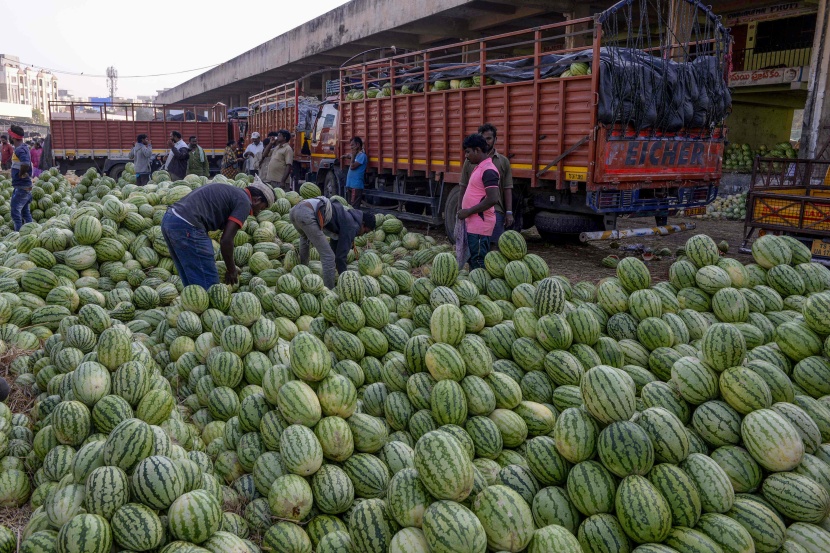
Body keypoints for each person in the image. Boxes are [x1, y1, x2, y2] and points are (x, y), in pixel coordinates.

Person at [161, 181, 276, 289]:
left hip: (170, 220)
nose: (259, 212)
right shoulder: (244, 202)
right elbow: (226, 240)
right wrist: (231, 270)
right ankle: (209, 309)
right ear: (257, 200)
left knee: (191, 280)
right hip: (188, 225)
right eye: (262, 208)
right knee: (209, 284)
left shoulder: (233, 192)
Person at [289, 196, 376, 289]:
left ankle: (302, 270)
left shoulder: (347, 217)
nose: (362, 235)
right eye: (365, 231)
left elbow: (335, 246)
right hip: (306, 214)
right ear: (362, 224)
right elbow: (340, 257)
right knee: (329, 257)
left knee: (305, 237)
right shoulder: (352, 226)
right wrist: (347, 280)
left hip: (295, 210)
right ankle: (329, 290)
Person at [458, 123, 513, 247]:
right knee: (476, 249)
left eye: (489, 138)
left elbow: (507, 188)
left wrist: (509, 212)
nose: (486, 142)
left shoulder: (502, 162)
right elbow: (463, 187)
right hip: (473, 214)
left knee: (493, 247)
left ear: (495, 140)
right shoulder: (470, 161)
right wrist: (460, 210)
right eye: (483, 139)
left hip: (495, 210)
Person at [457, 133, 500, 270]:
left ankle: (481, 289)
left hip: (480, 226)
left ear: (477, 150)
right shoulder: (480, 167)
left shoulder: (489, 170)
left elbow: (493, 199)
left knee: (479, 262)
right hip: (473, 225)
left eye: (468, 152)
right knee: (473, 261)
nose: (466, 156)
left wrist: (468, 211)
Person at [8, 125, 33, 231]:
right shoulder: (23, 147)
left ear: (13, 137)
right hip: (23, 186)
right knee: (25, 211)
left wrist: (21, 173)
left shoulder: (20, 150)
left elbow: (26, 163)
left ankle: (18, 234)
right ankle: (31, 229)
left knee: (15, 211)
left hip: (22, 186)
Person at [343, 137, 367, 207]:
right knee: (349, 207)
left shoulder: (362, 156)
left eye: (352, 145)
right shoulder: (357, 155)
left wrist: (353, 155)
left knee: (353, 208)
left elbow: (352, 167)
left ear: (358, 145)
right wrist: (345, 156)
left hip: (356, 186)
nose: (351, 147)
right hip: (350, 185)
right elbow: (349, 156)